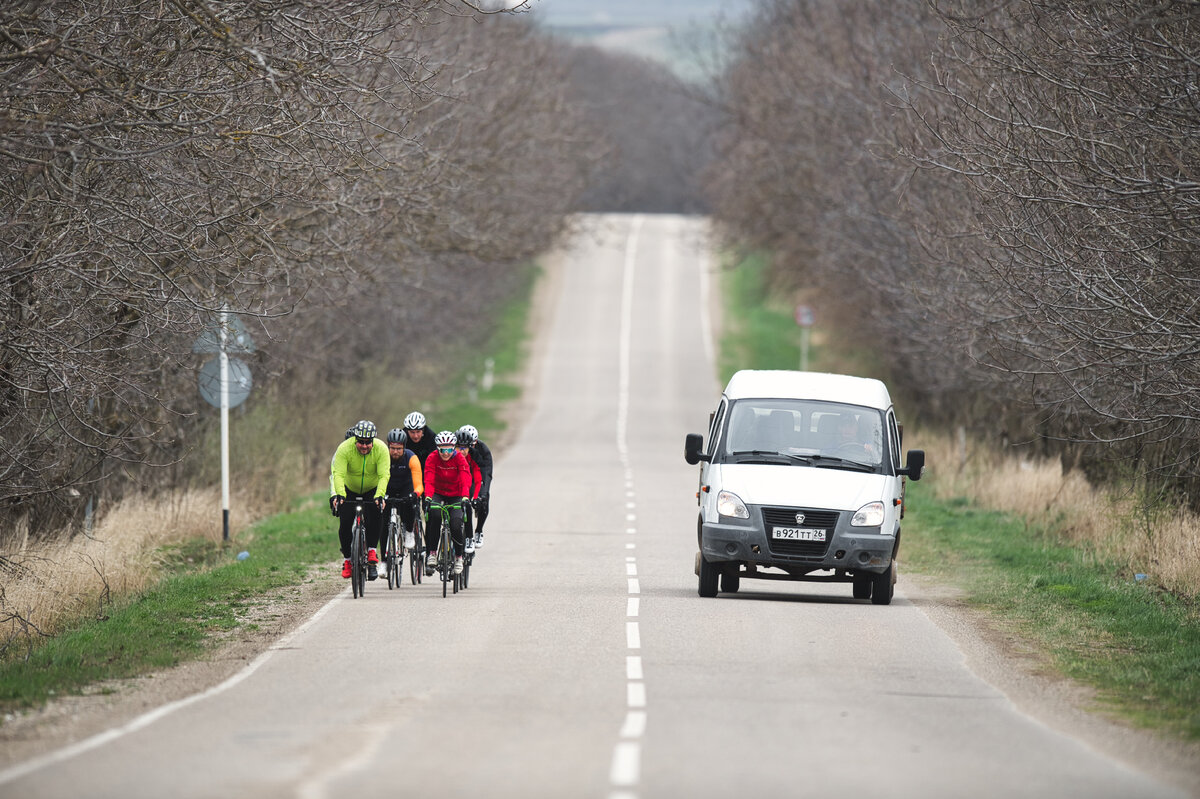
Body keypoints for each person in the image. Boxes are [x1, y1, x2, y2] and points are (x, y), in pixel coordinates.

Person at [331, 420, 390, 581]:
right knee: (344, 523)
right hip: (349, 489)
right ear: (355, 440)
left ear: (373, 441)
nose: (364, 446)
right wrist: (340, 494)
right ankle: (348, 561)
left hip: (372, 488)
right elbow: (338, 474)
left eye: (368, 443)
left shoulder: (381, 449)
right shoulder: (344, 449)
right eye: (361, 442)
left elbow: (384, 475)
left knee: (376, 514)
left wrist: (380, 495)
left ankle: (371, 551)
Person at [422, 430, 472, 575]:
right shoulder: (432, 458)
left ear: (454, 448)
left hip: (456, 494)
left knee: (456, 524)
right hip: (438, 492)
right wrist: (428, 497)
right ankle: (432, 552)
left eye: (450, 449)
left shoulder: (459, 459)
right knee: (435, 515)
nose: (446, 453)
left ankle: (458, 557)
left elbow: (465, 479)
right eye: (443, 450)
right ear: (438, 448)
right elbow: (429, 479)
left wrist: (465, 497)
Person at [384, 428, 423, 552]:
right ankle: (384, 562)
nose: (395, 451)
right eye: (392, 448)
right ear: (388, 446)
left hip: (406, 488)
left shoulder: (411, 457)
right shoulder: (383, 457)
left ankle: (409, 531)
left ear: (404, 448)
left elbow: (419, 485)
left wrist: (415, 493)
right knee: (382, 522)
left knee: (410, 504)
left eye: (399, 449)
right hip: (388, 488)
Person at [456, 424, 493, 548]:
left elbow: (486, 474)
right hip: (462, 477)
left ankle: (479, 530)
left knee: (484, 498)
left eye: (471, 445)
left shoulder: (483, 450)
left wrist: (482, 495)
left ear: (476, 441)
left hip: (477, 475)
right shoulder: (456, 450)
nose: (468, 448)